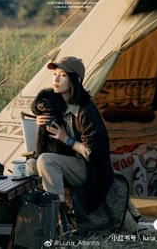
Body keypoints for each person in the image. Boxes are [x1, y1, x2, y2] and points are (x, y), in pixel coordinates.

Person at [26, 56, 114, 231]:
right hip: (66, 163)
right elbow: (36, 104)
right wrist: (39, 119)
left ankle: (59, 218)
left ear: (74, 80)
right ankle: (37, 215)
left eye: (63, 75)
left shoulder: (85, 111)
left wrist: (66, 138)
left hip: (89, 168)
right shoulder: (56, 103)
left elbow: (94, 153)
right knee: (31, 164)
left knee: (45, 160)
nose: (56, 79)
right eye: (55, 74)